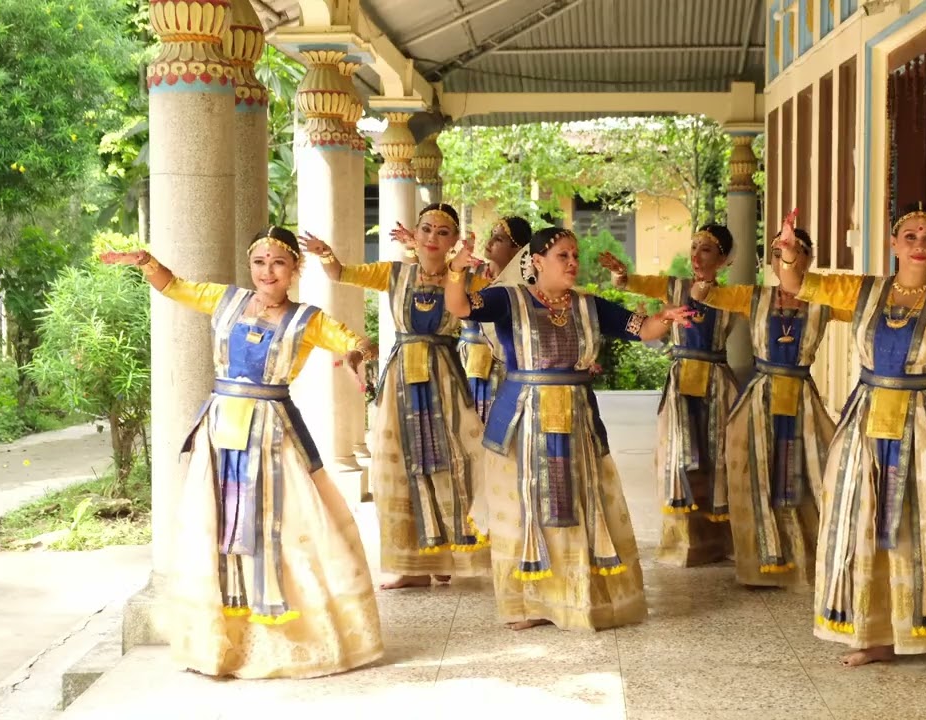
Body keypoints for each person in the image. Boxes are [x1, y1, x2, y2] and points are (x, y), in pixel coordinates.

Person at [101, 227, 384, 678]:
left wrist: (359, 354)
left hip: (274, 436)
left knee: (282, 527)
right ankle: (222, 645)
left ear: (295, 269)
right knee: (220, 530)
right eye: (259, 262)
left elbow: (356, 340)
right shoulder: (226, 300)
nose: (267, 271)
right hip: (222, 432)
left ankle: (287, 641)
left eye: (278, 263)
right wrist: (145, 262)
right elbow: (175, 287)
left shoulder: (308, 320)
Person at [771, 202, 926, 667]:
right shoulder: (862, 291)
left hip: (925, 425)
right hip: (866, 420)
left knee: (923, 524)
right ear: (893, 244)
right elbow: (799, 285)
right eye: (911, 237)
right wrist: (789, 254)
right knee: (863, 521)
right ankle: (876, 634)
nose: (920, 246)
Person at [444, 227, 695, 631]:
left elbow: (642, 329)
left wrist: (664, 319)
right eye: (563, 255)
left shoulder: (588, 306)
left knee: (578, 503)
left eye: (575, 255)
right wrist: (456, 270)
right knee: (529, 507)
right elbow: (460, 308)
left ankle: (576, 597)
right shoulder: (507, 300)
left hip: (577, 420)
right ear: (537, 261)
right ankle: (530, 602)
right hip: (523, 420)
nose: (573, 262)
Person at [304, 203, 490, 590]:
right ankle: (412, 565)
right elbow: (341, 273)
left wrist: (472, 261)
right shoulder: (393, 273)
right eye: (426, 229)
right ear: (416, 235)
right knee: (399, 468)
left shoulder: (467, 279)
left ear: (453, 240)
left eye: (443, 232)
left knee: (453, 460)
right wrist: (325, 254)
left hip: (445, 377)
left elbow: (496, 290)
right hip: (402, 377)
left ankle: (449, 557)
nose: (433, 238)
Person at [690, 224, 849, 587]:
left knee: (810, 476)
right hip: (760, 395)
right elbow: (707, 296)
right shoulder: (755, 296)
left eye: (793, 253)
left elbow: (867, 309)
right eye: (777, 254)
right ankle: (759, 565)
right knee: (755, 475)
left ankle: (809, 561)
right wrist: (701, 277)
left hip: (801, 398)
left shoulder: (825, 301)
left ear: (807, 259)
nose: (784, 261)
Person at [598, 226, 739, 567]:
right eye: (694, 247)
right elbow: (633, 282)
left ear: (722, 260)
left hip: (718, 382)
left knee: (716, 460)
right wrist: (621, 275)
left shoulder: (734, 296)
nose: (696, 254)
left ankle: (719, 542)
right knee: (679, 460)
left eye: (705, 249)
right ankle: (682, 543)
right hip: (681, 384)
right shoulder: (673, 287)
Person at [460, 216, 532, 422]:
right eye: (492, 237)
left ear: (517, 249)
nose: (489, 243)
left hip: (508, 367)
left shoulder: (524, 286)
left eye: (499, 239)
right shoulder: (471, 273)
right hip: (469, 364)